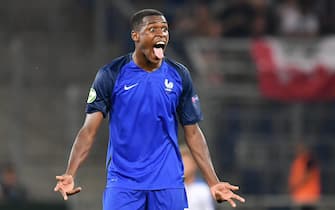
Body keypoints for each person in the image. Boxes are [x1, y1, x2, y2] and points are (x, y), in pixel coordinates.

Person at [54, 8, 245, 210]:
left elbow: (193, 132)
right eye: (152, 29)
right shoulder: (111, 74)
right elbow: (88, 130)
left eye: (164, 29)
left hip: (168, 183)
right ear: (135, 35)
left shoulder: (179, 75)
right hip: (123, 182)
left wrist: (213, 181)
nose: (161, 34)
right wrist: (70, 172)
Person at [180, 145, 214, 210]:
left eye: (186, 163)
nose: (183, 167)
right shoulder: (174, 190)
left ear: (194, 164)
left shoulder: (203, 189)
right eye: (181, 163)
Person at [288, 143, 321, 210]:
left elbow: (309, 175)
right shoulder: (298, 161)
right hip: (300, 198)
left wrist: (295, 186)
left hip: (309, 198)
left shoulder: (309, 160)